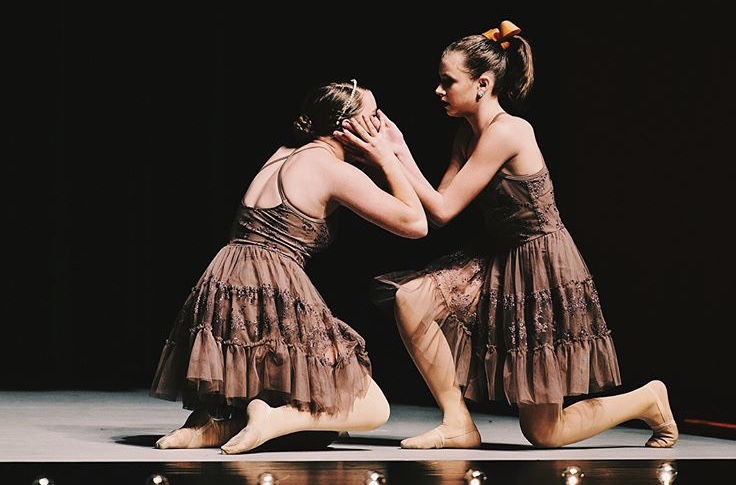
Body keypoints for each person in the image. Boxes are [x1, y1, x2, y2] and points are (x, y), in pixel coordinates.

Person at [333, 20, 678, 449]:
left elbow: (440, 211)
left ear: (483, 83)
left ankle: (648, 399)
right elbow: (439, 204)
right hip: (497, 255)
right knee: (410, 298)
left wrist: (392, 156)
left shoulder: (508, 132)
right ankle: (458, 422)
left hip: (539, 264)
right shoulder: (467, 133)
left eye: (447, 82)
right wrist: (399, 149)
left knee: (545, 433)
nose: (438, 91)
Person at [149, 79, 428, 454]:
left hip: (225, 279)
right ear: (346, 126)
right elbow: (415, 223)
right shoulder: (332, 169)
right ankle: (271, 418)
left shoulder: (283, 152)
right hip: (270, 281)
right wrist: (386, 157)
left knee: (302, 399)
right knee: (373, 407)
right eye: (373, 117)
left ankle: (209, 424)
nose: (380, 125)